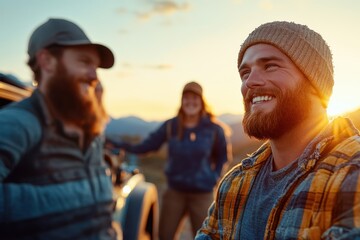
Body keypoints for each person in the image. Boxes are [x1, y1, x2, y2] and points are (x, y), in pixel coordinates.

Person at [196, 21, 360, 239]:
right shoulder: (235, 184)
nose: (250, 82)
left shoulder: (351, 176)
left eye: (270, 66)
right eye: (245, 72)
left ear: (315, 82)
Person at [0, 18, 118, 239]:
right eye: (84, 62)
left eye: (95, 67)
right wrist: (75, 197)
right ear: (47, 61)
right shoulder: (20, 122)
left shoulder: (90, 131)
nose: (94, 76)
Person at [111, 81, 232, 239]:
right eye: (186, 98)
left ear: (202, 101)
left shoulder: (214, 129)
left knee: (206, 237)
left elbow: (223, 156)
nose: (190, 102)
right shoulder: (171, 126)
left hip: (203, 193)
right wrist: (118, 144)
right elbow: (147, 146)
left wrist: (214, 178)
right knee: (164, 236)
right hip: (174, 192)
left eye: (195, 98)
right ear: (182, 101)